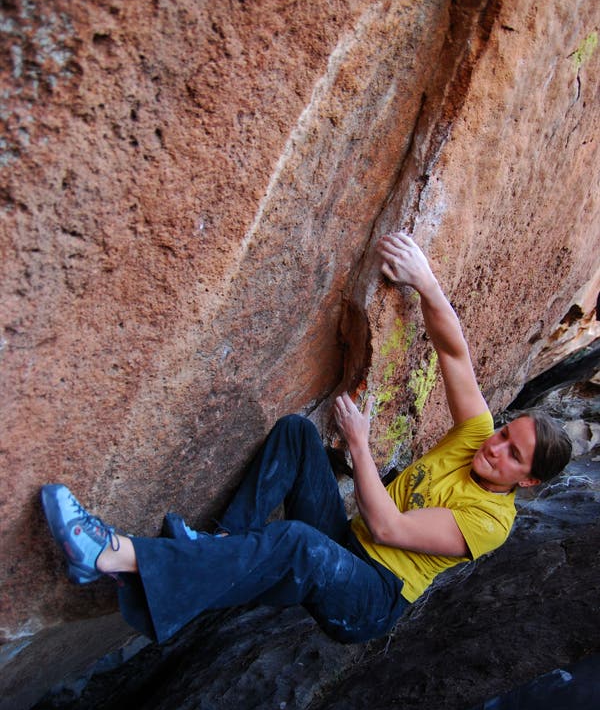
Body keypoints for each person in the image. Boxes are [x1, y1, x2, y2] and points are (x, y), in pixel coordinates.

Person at [41, 233, 572, 645]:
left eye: (512, 455)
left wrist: (360, 445)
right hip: (348, 543)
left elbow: (388, 528)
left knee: (297, 543)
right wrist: (426, 282)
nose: (495, 447)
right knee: (297, 436)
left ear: (527, 480)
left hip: (371, 596)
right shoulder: (477, 436)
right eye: (505, 432)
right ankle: (221, 547)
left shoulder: (491, 523)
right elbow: (455, 356)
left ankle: (112, 555)